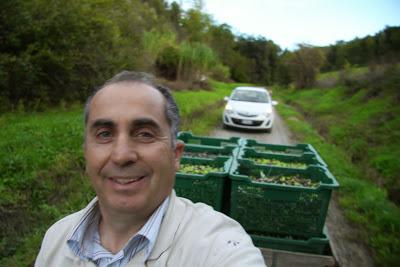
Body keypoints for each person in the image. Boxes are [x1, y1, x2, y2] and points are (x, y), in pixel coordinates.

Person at [35, 71, 266, 267]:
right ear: (86, 153)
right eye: (104, 134)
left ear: (175, 155)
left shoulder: (219, 248)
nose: (121, 155)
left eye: (145, 134)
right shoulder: (56, 239)